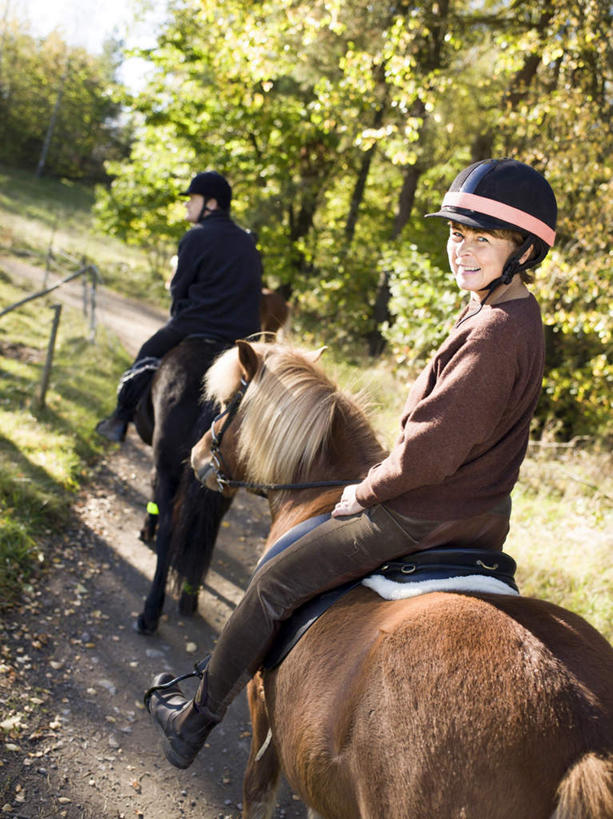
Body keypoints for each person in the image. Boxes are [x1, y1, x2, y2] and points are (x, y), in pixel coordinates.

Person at [145, 158, 557, 769]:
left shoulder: (496, 330)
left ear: (522, 249)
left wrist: (365, 491)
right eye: (455, 234)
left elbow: (431, 452)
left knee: (271, 582)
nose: (462, 251)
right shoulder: (503, 311)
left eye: (483, 239)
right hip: (472, 511)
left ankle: (193, 720)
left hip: (425, 513)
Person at [95, 171, 263, 442]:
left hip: (196, 325)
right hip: (241, 338)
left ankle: (120, 419)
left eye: (192, 199)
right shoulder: (249, 243)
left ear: (211, 203)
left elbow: (179, 289)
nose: (187, 204)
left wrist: (180, 316)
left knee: (147, 352)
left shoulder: (196, 236)